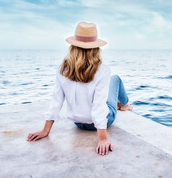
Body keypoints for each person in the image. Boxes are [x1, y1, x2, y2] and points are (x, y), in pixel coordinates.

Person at [27, 21, 133, 156]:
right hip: (97, 123)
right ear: (96, 48)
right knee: (115, 79)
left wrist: (45, 130)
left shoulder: (62, 69)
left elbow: (56, 101)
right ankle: (124, 105)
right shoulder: (103, 70)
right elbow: (99, 107)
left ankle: (122, 105)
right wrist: (103, 138)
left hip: (78, 123)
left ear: (73, 47)